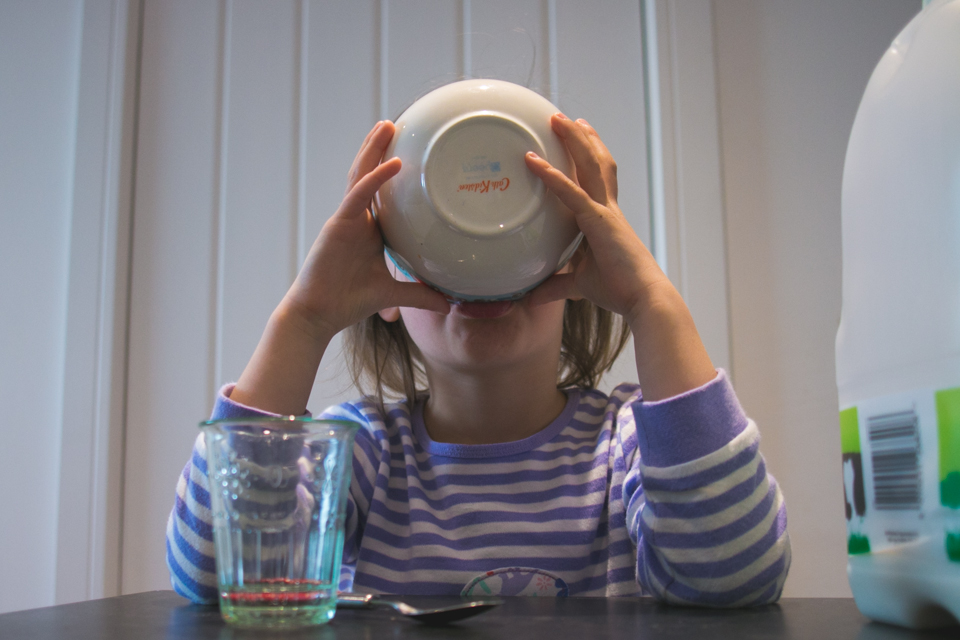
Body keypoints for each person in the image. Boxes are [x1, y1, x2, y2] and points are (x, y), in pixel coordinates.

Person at [166, 113, 791, 604]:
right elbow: (219, 574)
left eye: (518, 243)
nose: (480, 271)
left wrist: (652, 301)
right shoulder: (361, 452)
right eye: (437, 246)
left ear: (572, 268)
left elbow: (737, 577)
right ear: (384, 289)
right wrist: (304, 319)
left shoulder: (631, 445)